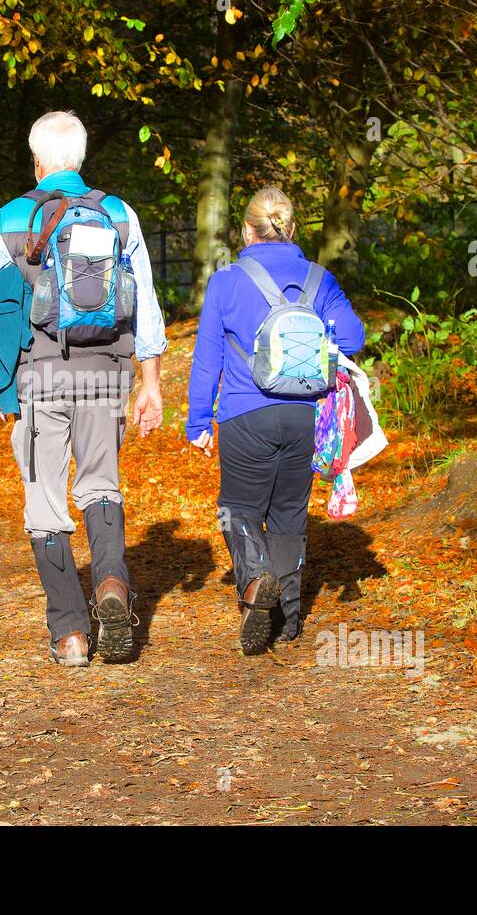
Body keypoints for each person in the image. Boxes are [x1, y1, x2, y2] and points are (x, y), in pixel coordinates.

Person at [0, 111, 167, 667]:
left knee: (46, 501)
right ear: (80, 159)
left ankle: (71, 636)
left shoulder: (12, 217)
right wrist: (150, 385)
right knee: (102, 485)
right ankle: (111, 585)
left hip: (41, 378)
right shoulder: (119, 214)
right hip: (108, 372)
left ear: (37, 161)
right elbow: (145, 308)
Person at [186, 187, 365, 654]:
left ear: (247, 229)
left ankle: (254, 577)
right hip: (304, 415)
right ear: (291, 226)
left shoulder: (227, 281)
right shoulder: (318, 279)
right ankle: (287, 619)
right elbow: (353, 336)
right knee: (288, 515)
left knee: (238, 509)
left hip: (246, 413)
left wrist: (199, 421)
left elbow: (206, 359)